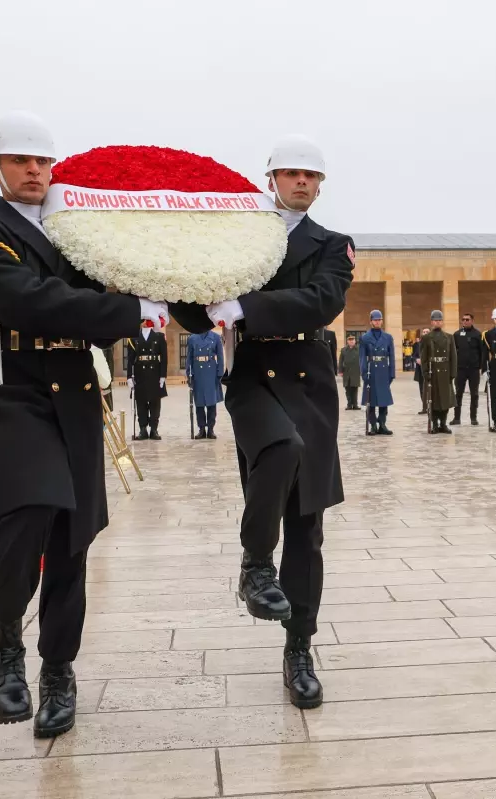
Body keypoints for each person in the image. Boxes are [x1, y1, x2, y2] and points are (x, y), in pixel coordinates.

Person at [0, 111, 167, 738]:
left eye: (42, 162)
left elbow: (125, 278)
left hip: (72, 396)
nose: (34, 171)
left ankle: (58, 674)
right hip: (13, 395)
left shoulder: (78, 237)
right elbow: (32, 301)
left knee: (70, 545)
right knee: (29, 510)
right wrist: (126, 311)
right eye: (20, 161)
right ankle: (3, 646)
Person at [174, 135, 352, 711]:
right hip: (253, 375)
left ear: (320, 184)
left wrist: (248, 307)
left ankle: (299, 648)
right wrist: (167, 288)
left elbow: (322, 301)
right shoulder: (240, 232)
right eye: (291, 173)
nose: (301, 182)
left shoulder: (333, 245)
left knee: (308, 526)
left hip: (310, 378)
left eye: (311, 175)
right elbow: (197, 296)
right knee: (279, 447)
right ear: (270, 178)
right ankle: (255, 561)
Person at [126, 324, 167, 441]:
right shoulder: (133, 338)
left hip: (155, 372)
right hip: (140, 372)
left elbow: (164, 357)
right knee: (141, 401)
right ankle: (142, 429)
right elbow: (130, 359)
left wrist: (163, 375)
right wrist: (129, 377)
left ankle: (154, 429)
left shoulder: (159, 336)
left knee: (155, 402)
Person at [418, 310, 456, 433]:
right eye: (435, 320)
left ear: (442, 322)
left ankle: (443, 424)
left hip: (445, 372)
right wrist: (425, 373)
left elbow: (453, 357)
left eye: (439, 320)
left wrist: (452, 374)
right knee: (433, 401)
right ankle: (434, 423)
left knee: (445, 400)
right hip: (432, 371)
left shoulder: (449, 337)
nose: (438, 322)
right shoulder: (426, 338)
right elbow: (423, 358)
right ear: (431, 322)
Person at [359, 309, 395, 435]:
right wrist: (363, 373)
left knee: (383, 400)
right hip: (371, 371)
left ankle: (382, 424)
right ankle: (373, 424)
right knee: (371, 400)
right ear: (371, 322)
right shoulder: (364, 338)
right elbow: (362, 357)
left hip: (383, 370)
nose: (378, 322)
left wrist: (392, 373)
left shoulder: (388, 337)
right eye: (375, 320)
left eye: (379, 320)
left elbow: (391, 356)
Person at [185, 328, 224, 439]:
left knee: (211, 402)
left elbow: (220, 356)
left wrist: (220, 373)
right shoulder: (192, 338)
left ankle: (211, 429)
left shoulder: (216, 337)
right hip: (198, 371)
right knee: (199, 403)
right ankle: (201, 429)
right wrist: (189, 374)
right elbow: (189, 358)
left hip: (211, 371)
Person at [451, 312, 486, 425]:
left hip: (473, 369)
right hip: (460, 369)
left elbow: (482, 352)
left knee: (474, 394)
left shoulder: (477, 334)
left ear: (472, 321)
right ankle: (456, 418)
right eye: (463, 319)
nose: (465, 321)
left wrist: (481, 367)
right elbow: (453, 352)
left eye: (467, 319)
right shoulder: (456, 334)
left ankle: (473, 417)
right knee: (458, 394)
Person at [338, 333, 361, 410]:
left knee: (355, 389)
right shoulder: (344, 350)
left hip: (355, 372)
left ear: (355, 341)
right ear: (347, 341)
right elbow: (341, 361)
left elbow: (362, 361)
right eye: (349, 340)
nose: (351, 341)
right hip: (346, 372)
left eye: (353, 340)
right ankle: (349, 404)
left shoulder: (359, 349)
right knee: (347, 389)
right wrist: (340, 371)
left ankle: (355, 405)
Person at [414, 328, 429, 412]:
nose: (425, 333)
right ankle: (424, 408)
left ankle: (431, 406)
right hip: (420, 370)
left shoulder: (432, 343)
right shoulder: (418, 344)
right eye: (424, 332)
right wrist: (416, 359)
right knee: (421, 388)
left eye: (427, 332)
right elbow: (414, 355)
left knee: (429, 389)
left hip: (429, 369)